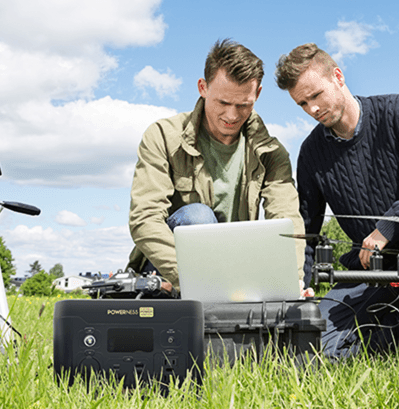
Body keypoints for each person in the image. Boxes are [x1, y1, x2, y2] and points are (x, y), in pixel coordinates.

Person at [275, 43, 399, 360]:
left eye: (316, 95)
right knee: (309, 353)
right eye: (302, 103)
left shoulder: (395, 111)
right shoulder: (312, 152)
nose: (312, 109)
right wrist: (298, 284)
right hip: (372, 272)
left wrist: (388, 225)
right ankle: (397, 324)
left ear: (337, 76)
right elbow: (308, 231)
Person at [127, 39, 306, 293]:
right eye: (223, 103)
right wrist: (198, 278)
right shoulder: (163, 136)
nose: (232, 116)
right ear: (203, 87)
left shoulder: (271, 152)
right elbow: (144, 219)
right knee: (198, 218)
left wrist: (292, 279)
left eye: (243, 105)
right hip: (169, 270)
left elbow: (288, 219)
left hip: (233, 270)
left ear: (257, 95)